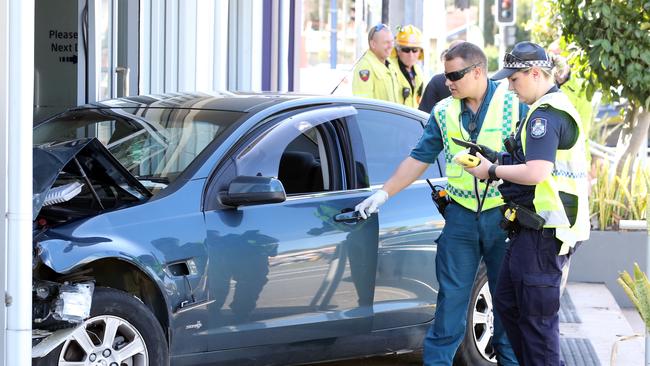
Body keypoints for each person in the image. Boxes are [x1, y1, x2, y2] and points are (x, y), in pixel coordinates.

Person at [355, 42, 526, 366]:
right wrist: (384, 193)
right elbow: (419, 158)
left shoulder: (512, 102)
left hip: (504, 215)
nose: (447, 82)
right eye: (445, 75)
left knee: (507, 307)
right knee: (449, 307)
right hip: (460, 219)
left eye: (454, 75)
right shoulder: (444, 111)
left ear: (477, 71)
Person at [466, 41, 591, 365]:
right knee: (508, 303)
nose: (509, 87)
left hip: (545, 233)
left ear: (535, 73)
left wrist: (490, 170)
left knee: (537, 324)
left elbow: (537, 171)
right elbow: (532, 161)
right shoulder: (548, 109)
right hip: (533, 230)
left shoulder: (546, 116)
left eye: (514, 79)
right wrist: (498, 159)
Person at [352, 23, 400, 102]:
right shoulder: (365, 67)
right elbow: (365, 105)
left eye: (392, 41)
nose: (391, 46)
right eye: (386, 42)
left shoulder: (390, 65)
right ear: (373, 44)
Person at [418, 40, 465, 113]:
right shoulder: (437, 82)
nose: (448, 83)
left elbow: (424, 115)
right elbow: (424, 114)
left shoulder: (437, 81)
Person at [390, 25, 425, 108]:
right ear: (397, 50)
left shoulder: (418, 72)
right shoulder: (389, 69)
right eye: (406, 50)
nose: (411, 54)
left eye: (415, 50)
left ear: (420, 52)